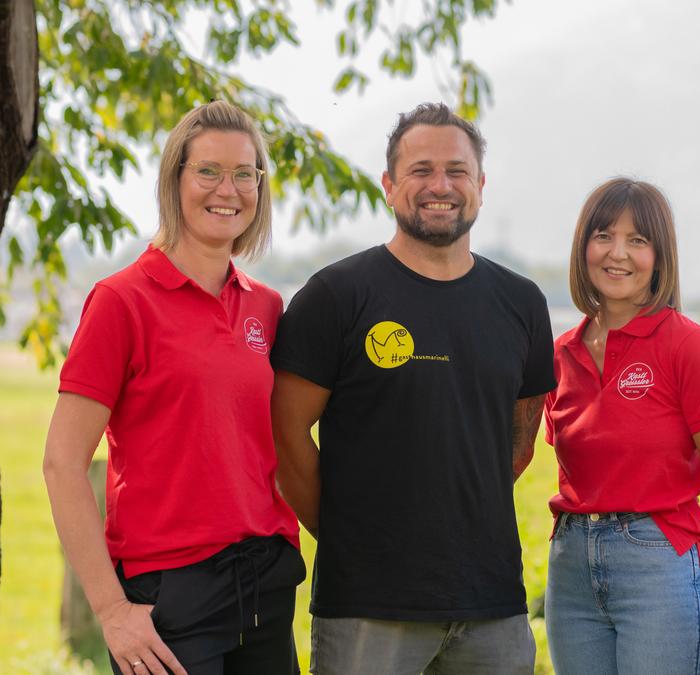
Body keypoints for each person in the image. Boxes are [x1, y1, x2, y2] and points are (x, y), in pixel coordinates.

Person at [269, 102, 556, 675]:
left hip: (492, 605)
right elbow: (285, 434)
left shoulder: (522, 303)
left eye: (456, 170)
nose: (440, 185)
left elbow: (518, 442)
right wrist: (344, 530)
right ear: (389, 185)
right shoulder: (335, 296)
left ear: (480, 185)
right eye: (421, 170)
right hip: (367, 609)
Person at [42, 101, 304, 675]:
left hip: (265, 585)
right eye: (208, 170)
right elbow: (63, 463)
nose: (227, 189)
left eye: (244, 173)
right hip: (168, 601)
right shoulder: (121, 301)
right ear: (175, 179)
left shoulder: (267, 305)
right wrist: (112, 609)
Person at [542, 177, 700, 675]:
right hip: (570, 570)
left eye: (638, 240)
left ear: (660, 257)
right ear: (583, 247)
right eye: (604, 236)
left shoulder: (687, 345)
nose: (618, 253)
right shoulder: (559, 355)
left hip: (660, 565)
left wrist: (695, 574)